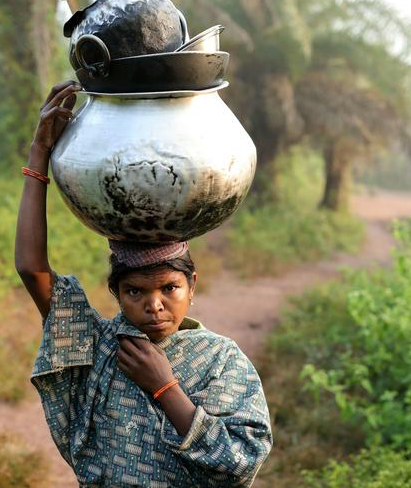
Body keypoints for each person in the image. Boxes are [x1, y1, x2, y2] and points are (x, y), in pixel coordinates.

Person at [15, 80, 272, 487]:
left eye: (169, 288)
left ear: (192, 285)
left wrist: (164, 386)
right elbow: (32, 269)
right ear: (115, 292)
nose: (154, 305)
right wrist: (39, 155)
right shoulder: (98, 346)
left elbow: (241, 462)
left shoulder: (222, 361)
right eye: (136, 291)